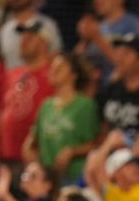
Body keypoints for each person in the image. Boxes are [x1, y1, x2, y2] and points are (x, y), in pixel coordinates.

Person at [22, 52, 99, 184]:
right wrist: (28, 148)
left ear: (73, 75)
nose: (54, 71)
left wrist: (73, 151)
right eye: (53, 67)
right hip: (48, 177)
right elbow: (34, 138)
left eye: (61, 67)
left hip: (73, 176)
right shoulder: (46, 105)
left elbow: (95, 144)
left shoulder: (84, 105)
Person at [0, 20, 55, 167]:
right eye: (22, 37)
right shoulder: (13, 74)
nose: (23, 42)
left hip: (36, 158)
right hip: (6, 155)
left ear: (44, 42)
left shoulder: (55, 74)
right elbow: (3, 111)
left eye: (29, 38)